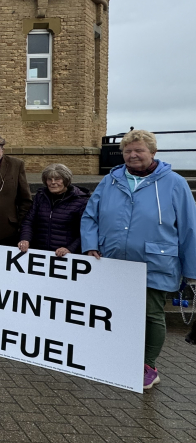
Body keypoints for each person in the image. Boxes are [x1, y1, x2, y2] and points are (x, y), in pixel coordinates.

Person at [80, 130, 196, 390]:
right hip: (113, 261)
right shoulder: (110, 181)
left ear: (153, 152)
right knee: (116, 312)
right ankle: (121, 357)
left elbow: (190, 226)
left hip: (155, 262)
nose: (132, 155)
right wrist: (90, 245)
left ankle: (148, 366)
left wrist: (192, 269)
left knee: (152, 314)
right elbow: (90, 216)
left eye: (139, 150)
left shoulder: (175, 183)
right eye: (127, 151)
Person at [17, 164, 90, 256]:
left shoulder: (81, 201)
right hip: (39, 252)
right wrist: (25, 239)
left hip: (66, 255)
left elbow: (86, 230)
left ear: (66, 180)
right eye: (49, 179)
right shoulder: (40, 196)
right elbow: (29, 221)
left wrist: (70, 249)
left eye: (57, 179)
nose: (53, 182)